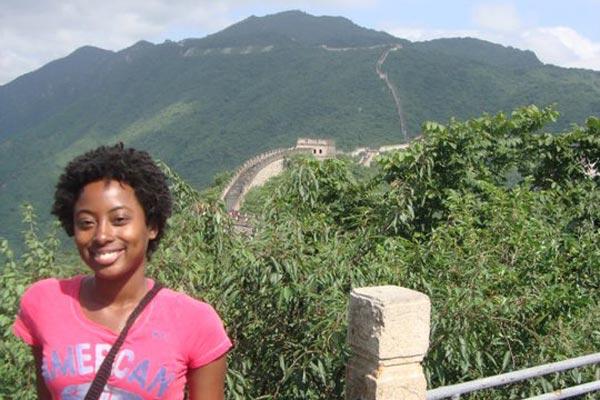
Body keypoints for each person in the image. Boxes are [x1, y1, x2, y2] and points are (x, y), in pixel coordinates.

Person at [12, 144, 232, 399]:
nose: (102, 235)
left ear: (152, 226)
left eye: (119, 220)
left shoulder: (195, 322)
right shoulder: (45, 303)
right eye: (86, 223)